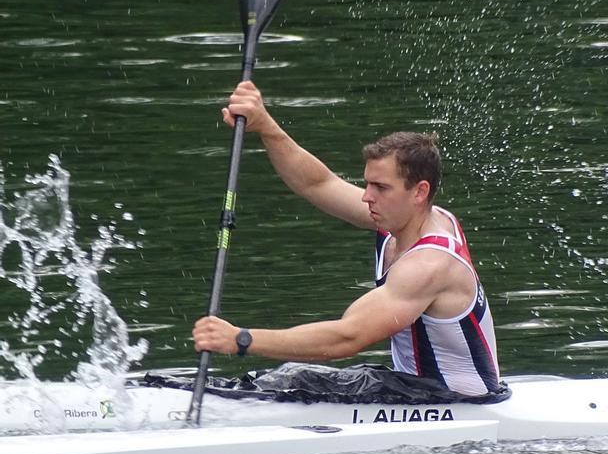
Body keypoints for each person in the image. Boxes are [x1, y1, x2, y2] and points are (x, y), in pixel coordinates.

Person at [191, 81, 502, 397]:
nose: (367, 197)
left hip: (457, 404)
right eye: (367, 184)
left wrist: (241, 339)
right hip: (414, 390)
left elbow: (347, 338)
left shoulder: (430, 264)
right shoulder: (405, 216)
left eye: (380, 187)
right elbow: (319, 184)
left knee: (297, 380)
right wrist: (266, 125)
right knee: (290, 378)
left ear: (420, 191)